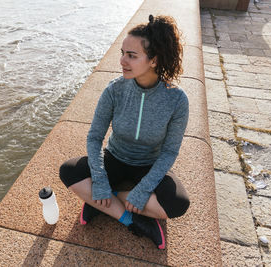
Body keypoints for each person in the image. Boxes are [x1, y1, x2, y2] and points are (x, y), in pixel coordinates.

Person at [59, 14, 190, 250]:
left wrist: (143, 189)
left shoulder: (177, 100)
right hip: (115, 158)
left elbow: (169, 152)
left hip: (149, 165)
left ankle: (102, 202)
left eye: (131, 55)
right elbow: (95, 137)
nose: (122, 61)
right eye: (122, 53)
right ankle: (130, 219)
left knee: (177, 204)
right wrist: (99, 179)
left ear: (154, 60)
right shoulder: (114, 90)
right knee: (69, 171)